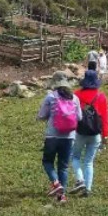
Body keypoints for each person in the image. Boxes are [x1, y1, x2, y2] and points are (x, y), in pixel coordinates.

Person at [36, 71, 82, 204]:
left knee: (47, 162)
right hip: (69, 137)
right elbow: (79, 117)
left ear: (54, 84)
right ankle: (62, 197)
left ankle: (56, 184)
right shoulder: (74, 98)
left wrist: (44, 117)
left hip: (52, 136)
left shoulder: (51, 97)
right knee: (63, 166)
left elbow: (41, 115)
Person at [70, 69, 108, 197]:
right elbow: (105, 118)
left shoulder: (76, 95)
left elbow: (71, 115)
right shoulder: (101, 96)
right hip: (95, 134)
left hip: (80, 132)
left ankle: (80, 179)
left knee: (75, 157)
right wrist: (105, 136)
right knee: (88, 162)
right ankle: (88, 188)